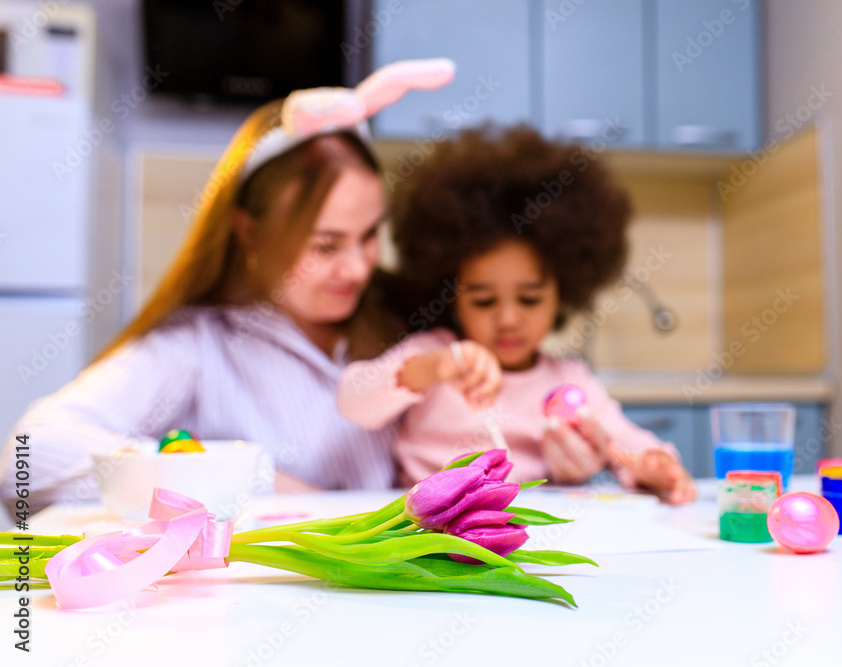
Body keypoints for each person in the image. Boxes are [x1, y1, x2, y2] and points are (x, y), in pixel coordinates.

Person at [0, 59, 458, 516]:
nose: (358, 268)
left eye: (369, 235)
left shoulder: (409, 328)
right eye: (326, 245)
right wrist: (241, 475)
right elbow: (26, 458)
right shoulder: (197, 349)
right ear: (249, 231)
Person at [338, 125, 697, 504]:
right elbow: (353, 401)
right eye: (484, 301)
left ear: (564, 293)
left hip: (522, 539)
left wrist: (655, 465)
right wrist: (432, 369)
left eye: (529, 300)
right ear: (451, 295)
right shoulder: (435, 355)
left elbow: (624, 441)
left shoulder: (568, 379)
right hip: (426, 536)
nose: (508, 319)